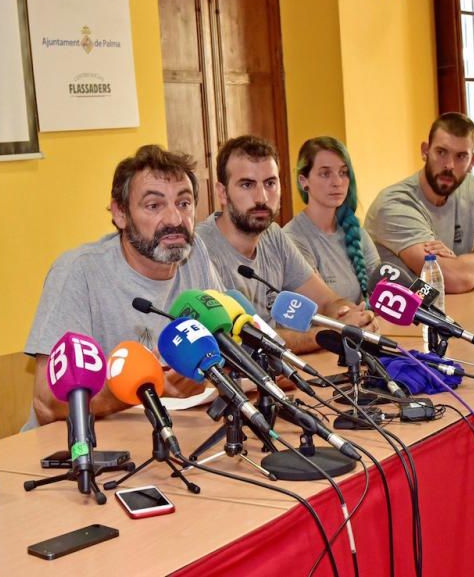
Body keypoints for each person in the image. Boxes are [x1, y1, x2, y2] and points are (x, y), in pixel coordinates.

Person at [25, 145, 222, 426]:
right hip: (79, 450)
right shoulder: (79, 271)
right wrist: (149, 389)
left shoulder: (196, 253)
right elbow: (47, 402)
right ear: (120, 213)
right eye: (154, 206)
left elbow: (225, 346)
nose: (175, 220)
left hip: (169, 430)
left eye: (184, 203)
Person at [196, 135, 377, 354]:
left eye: (270, 183)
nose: (261, 197)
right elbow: (244, 341)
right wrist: (326, 335)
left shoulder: (273, 234)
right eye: (247, 185)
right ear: (223, 193)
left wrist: (350, 316)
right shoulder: (200, 249)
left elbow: (326, 301)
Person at [365, 112, 474, 293]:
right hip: (402, 317)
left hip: (455, 307)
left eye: (461, 156)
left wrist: (470, 271)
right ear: (425, 151)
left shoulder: (471, 190)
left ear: (472, 161)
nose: (449, 165)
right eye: (441, 152)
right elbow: (453, 279)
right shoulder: (394, 204)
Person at [283, 136, 380, 305]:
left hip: (365, 326)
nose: (337, 182)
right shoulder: (292, 238)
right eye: (325, 174)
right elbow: (325, 305)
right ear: (303, 181)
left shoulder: (354, 230)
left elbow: (384, 288)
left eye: (343, 173)